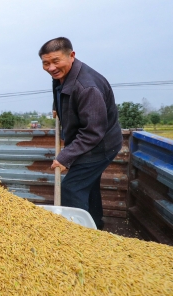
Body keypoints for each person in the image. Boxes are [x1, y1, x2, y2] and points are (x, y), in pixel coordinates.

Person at [39, 37, 123, 230]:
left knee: (72, 189)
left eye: (56, 61)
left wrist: (65, 157)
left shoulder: (87, 87)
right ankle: (95, 225)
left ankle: (79, 236)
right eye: (46, 63)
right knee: (89, 184)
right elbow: (59, 89)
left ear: (72, 56)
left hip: (100, 145)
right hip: (91, 140)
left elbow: (93, 133)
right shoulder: (61, 75)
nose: (51, 68)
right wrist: (56, 106)